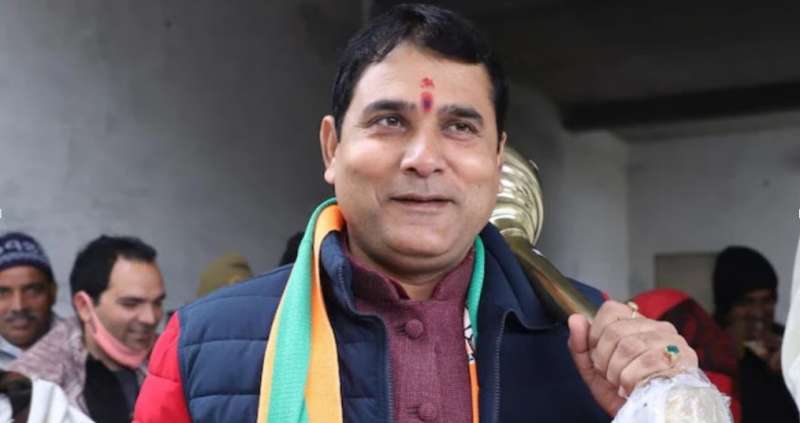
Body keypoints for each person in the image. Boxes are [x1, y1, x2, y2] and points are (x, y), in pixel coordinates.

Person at [134, 4, 699, 422]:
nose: (424, 158)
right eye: (389, 121)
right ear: (332, 149)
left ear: (497, 158)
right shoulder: (202, 343)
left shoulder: (590, 338)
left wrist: (664, 405)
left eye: (459, 126)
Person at [9, 235, 166, 422]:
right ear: (84, 306)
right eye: (131, 304)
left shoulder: (174, 359)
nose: (150, 318)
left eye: (157, 303)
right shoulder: (35, 385)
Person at [713, 245, 799, 422]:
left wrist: (789, 365)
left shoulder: (787, 342)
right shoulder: (706, 345)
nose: (758, 312)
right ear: (726, 307)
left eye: (767, 300)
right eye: (746, 302)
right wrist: (729, 356)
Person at [0, 232, 58, 369]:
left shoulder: (86, 347)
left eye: (32, 291)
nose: (18, 306)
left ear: (53, 292)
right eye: (3, 293)